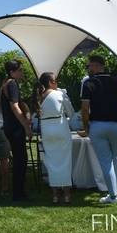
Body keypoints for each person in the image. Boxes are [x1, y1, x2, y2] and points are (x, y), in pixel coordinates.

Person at [80, 54, 117, 204]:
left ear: (96, 66)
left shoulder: (89, 83)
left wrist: (85, 125)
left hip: (97, 124)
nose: (89, 69)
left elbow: (84, 108)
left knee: (105, 161)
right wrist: (115, 109)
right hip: (115, 124)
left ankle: (113, 196)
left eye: (89, 66)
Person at [38, 71, 74, 204]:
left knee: (51, 161)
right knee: (65, 160)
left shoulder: (38, 96)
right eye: (55, 81)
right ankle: (67, 195)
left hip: (46, 129)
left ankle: (55, 195)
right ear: (50, 82)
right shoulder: (60, 94)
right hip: (60, 127)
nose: (57, 83)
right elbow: (70, 111)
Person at [1, 60, 32, 201]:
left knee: (19, 159)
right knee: (21, 160)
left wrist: (6, 117)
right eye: (19, 70)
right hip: (15, 128)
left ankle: (19, 192)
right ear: (12, 72)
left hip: (9, 126)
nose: (22, 72)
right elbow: (15, 106)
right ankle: (18, 193)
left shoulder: (4, 84)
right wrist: (26, 126)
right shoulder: (12, 83)